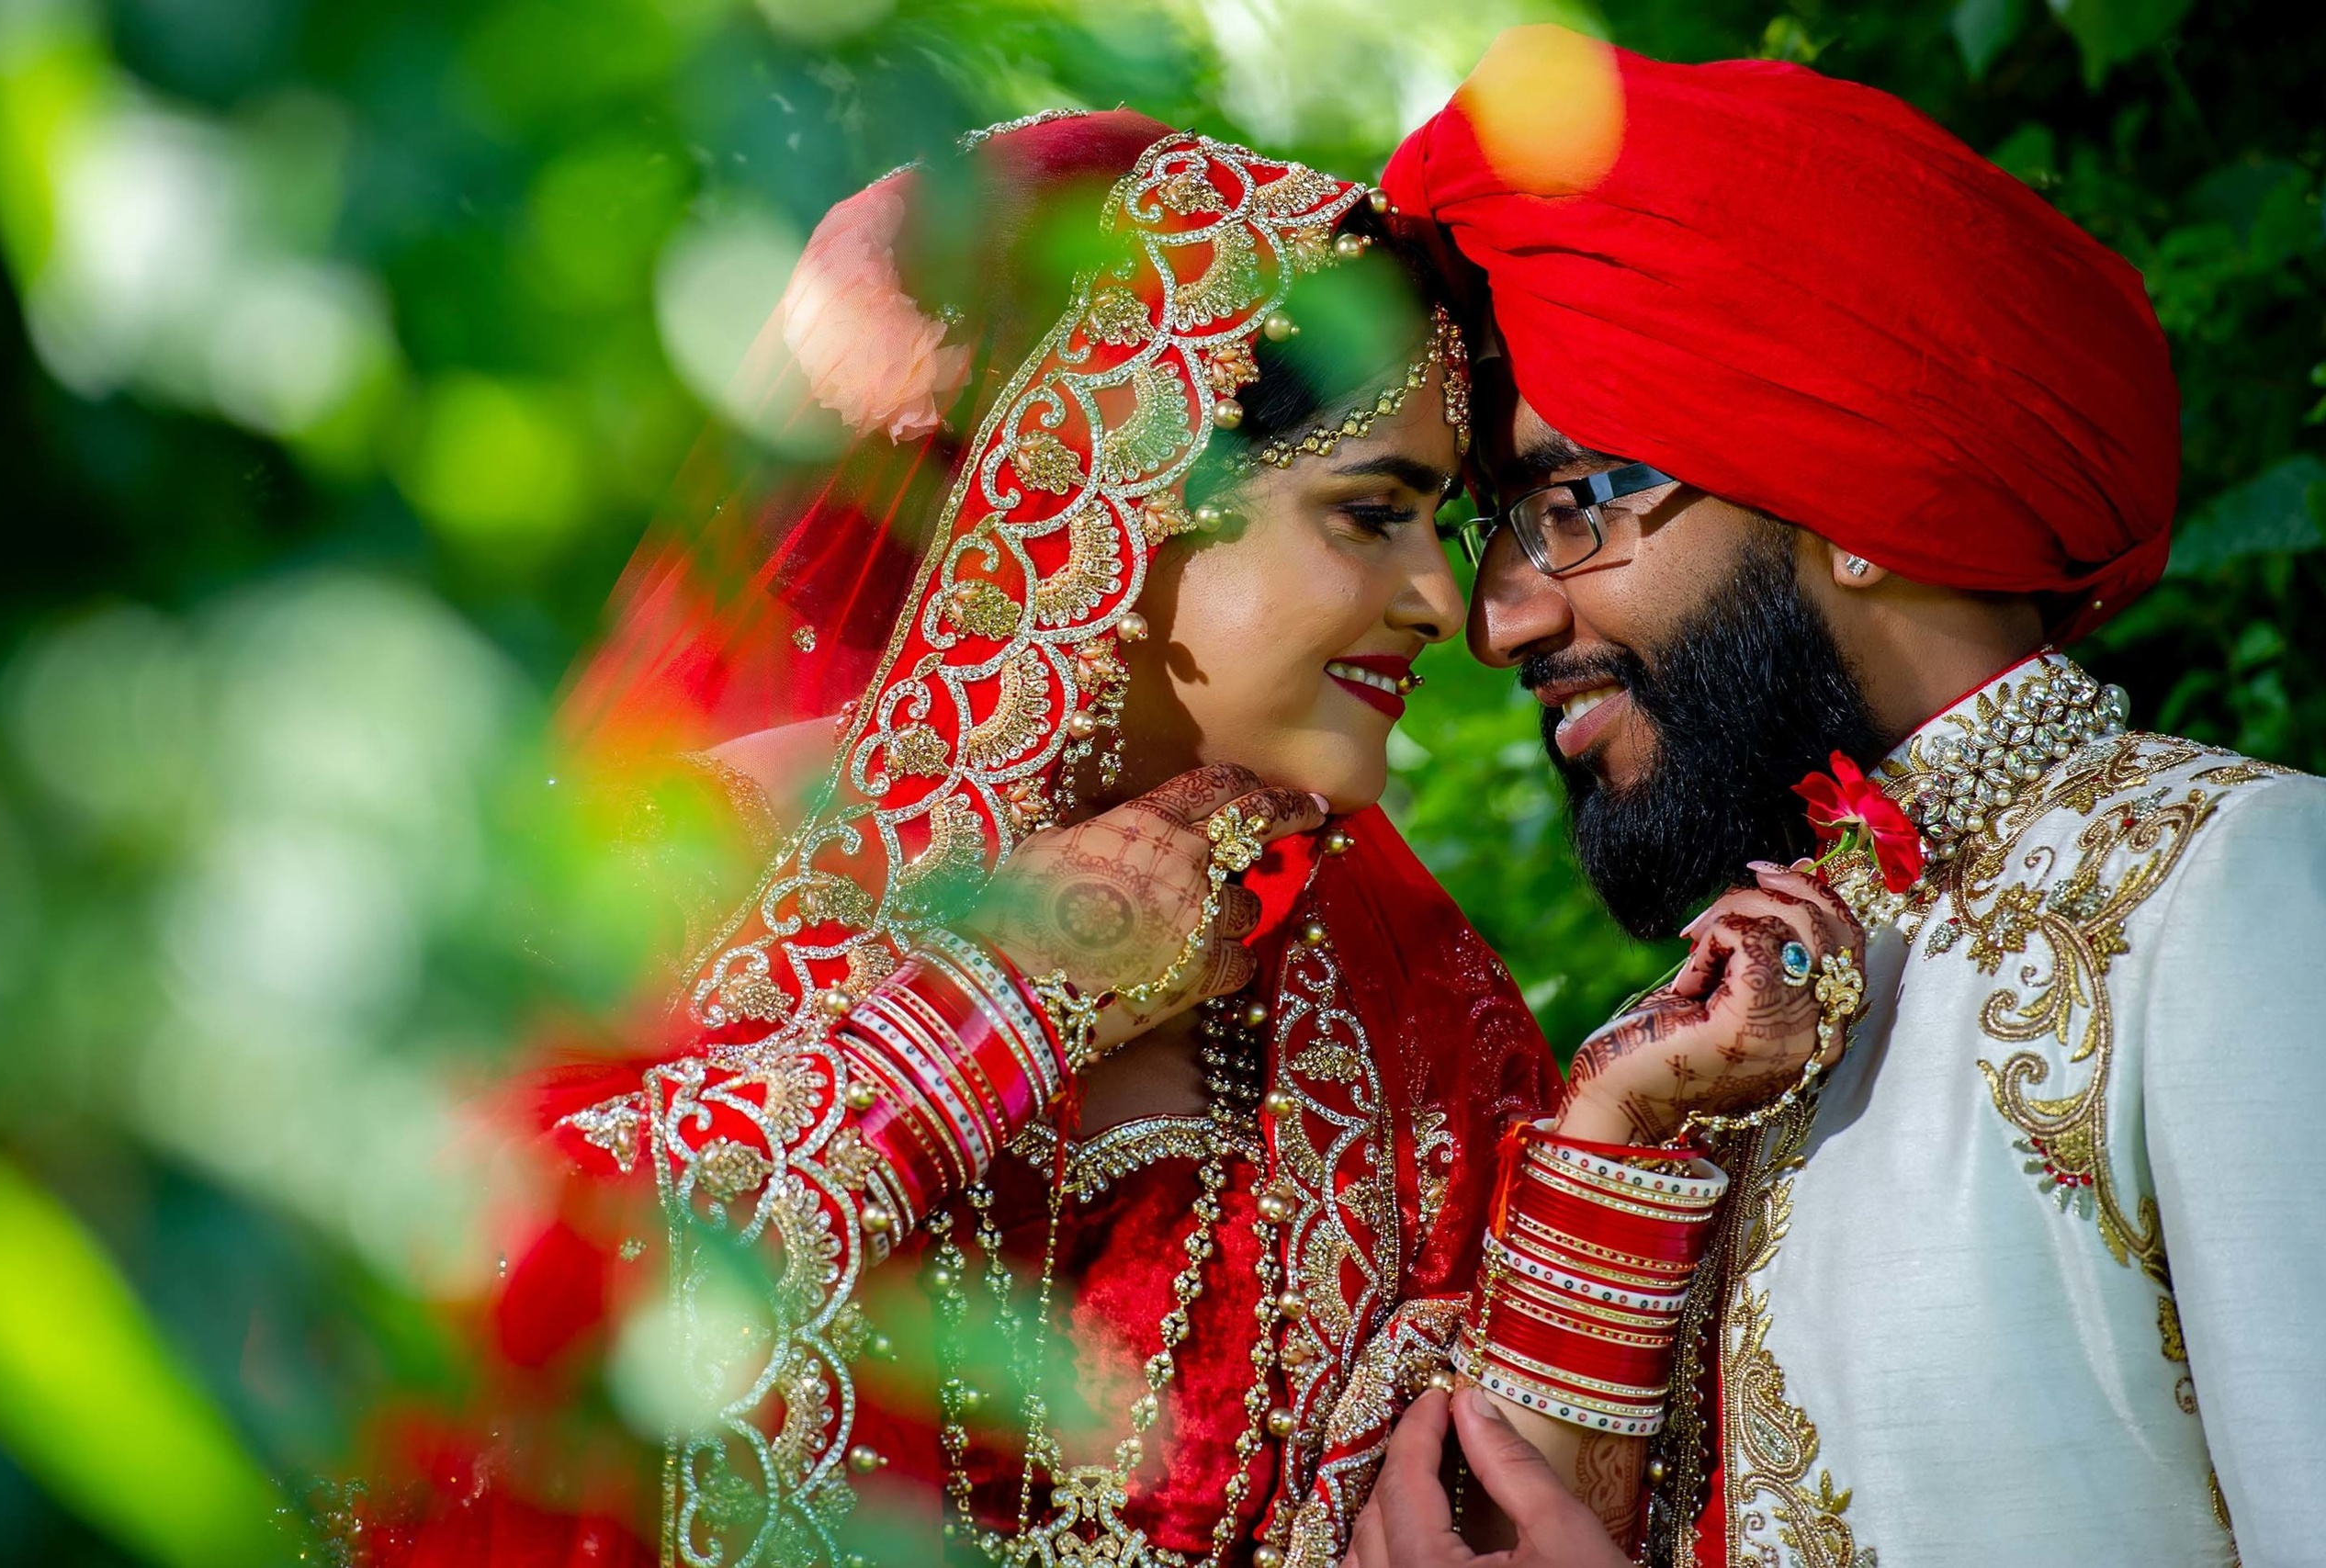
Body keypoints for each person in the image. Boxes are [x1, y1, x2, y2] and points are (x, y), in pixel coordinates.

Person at [364, 109, 1676, 1568]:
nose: (1447, 603)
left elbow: (1531, 1509)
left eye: (1445, 525)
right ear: (1107, 485)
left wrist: (1623, 1140)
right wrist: (990, 1014)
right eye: (1370, 516)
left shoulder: (1407, 1009)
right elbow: (439, 1360)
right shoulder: (669, 870)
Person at [1348, 26, 2326, 1568]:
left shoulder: (2235, 893)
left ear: (1859, 503)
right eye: (1498, 532)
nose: (1502, 619)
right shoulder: (1718, 1022)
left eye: (1566, 507)